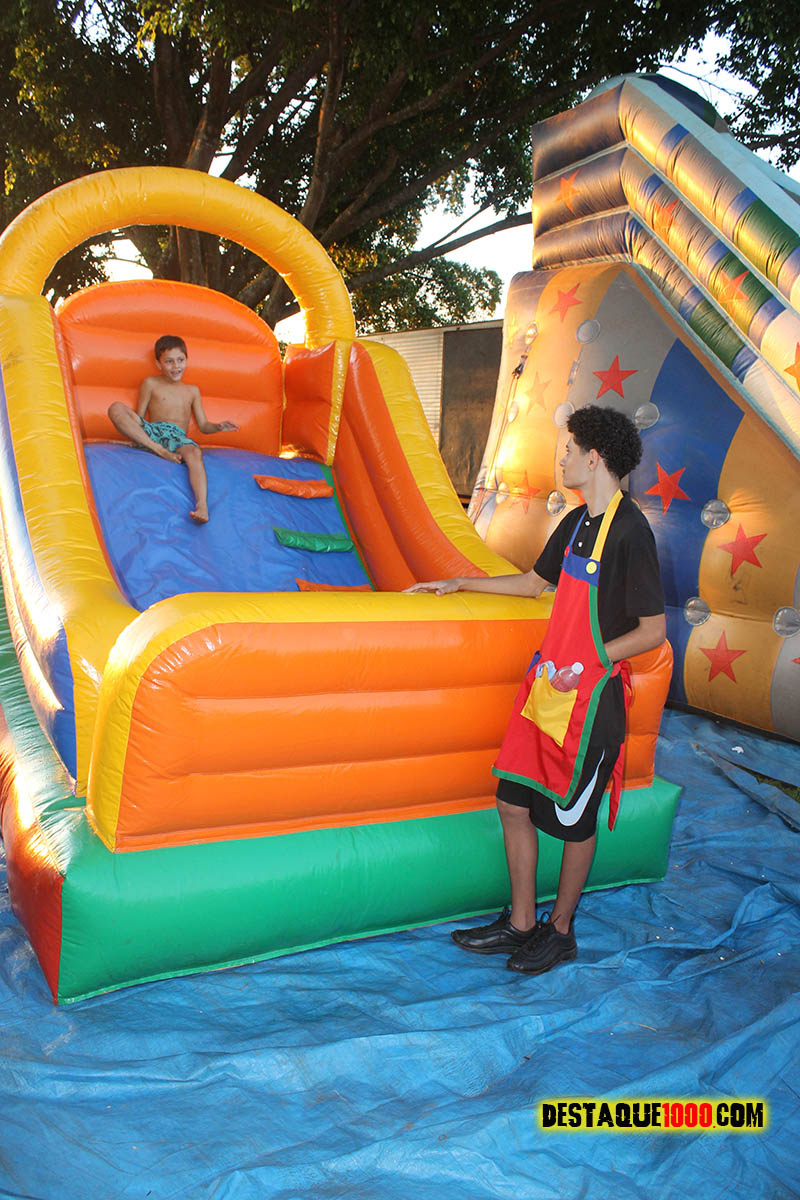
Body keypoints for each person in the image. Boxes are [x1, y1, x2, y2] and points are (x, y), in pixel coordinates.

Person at [405, 404, 666, 976]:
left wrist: (590, 660)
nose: (561, 458)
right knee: (513, 801)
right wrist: (458, 582)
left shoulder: (630, 531)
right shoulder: (574, 523)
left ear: (594, 458)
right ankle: (522, 922)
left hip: (592, 702)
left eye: (568, 449)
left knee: (574, 819)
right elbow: (531, 584)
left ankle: (561, 931)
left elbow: (652, 631)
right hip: (550, 690)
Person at [107, 335, 238, 523]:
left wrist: (218, 426)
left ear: (187, 360)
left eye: (180, 360)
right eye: (169, 361)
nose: (176, 366)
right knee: (115, 408)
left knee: (194, 452)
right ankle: (158, 450)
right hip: (153, 431)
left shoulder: (192, 391)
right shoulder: (150, 383)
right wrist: (136, 436)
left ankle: (202, 505)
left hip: (177, 438)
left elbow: (203, 426)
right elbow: (139, 416)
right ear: (158, 364)